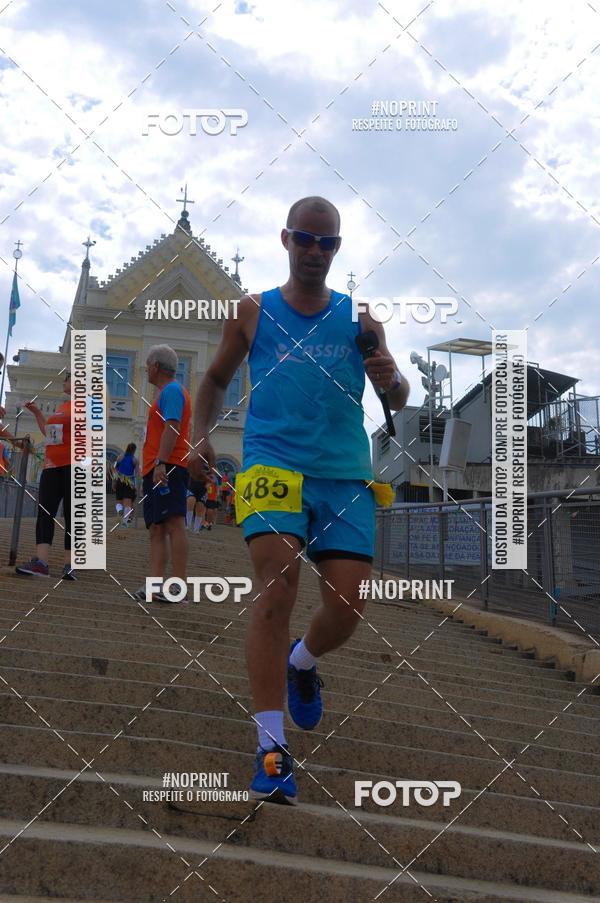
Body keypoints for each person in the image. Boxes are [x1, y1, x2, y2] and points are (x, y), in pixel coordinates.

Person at [189, 196, 409, 804]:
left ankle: (302, 663)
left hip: (343, 474)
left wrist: (393, 378)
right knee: (277, 586)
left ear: (337, 249)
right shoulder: (253, 311)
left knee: (348, 605)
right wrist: (201, 433)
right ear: (286, 239)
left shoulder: (359, 318)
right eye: (306, 239)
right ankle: (271, 749)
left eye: (327, 243)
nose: (315, 251)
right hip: (272, 465)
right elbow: (213, 380)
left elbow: (397, 395)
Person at [134, 345, 191, 603]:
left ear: (156, 366)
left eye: (147, 365)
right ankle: (155, 585)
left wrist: (161, 462)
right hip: (157, 467)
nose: (146, 369)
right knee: (157, 528)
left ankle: (178, 587)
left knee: (174, 523)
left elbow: (173, 426)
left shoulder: (172, 390)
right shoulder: (166, 392)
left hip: (169, 466)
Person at [15, 371, 76, 580]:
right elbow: (50, 435)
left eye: (68, 378)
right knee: (45, 512)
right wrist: (37, 413)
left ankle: (70, 564)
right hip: (51, 466)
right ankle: (41, 562)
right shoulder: (63, 407)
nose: (64, 381)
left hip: (74, 466)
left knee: (72, 515)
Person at [113, 442, 139, 527]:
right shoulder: (135, 460)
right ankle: (125, 522)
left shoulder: (119, 457)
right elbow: (137, 474)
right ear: (134, 450)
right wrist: (137, 486)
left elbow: (114, 469)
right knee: (128, 503)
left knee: (119, 501)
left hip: (120, 480)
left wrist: (114, 482)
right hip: (129, 481)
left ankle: (119, 512)